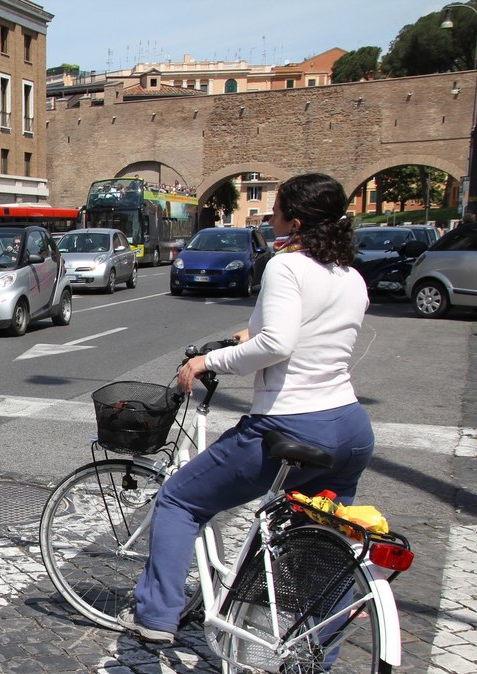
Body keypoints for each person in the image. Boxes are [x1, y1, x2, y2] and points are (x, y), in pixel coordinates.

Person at [117, 173, 375, 644]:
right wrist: (241, 336)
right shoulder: (351, 276)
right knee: (321, 544)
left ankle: (156, 618)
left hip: (291, 422)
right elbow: (309, 330)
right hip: (351, 427)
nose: (269, 220)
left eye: (275, 213)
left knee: (178, 499)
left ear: (294, 222)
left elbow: (278, 342)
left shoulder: (286, 266)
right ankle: (309, 646)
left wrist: (208, 360)